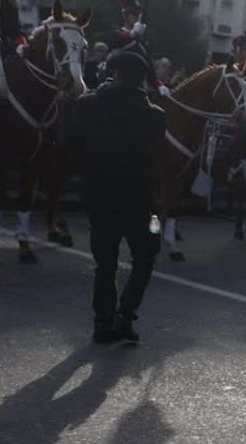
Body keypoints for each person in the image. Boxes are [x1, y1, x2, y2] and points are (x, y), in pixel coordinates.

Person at [64, 49, 166, 344]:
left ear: (116, 74)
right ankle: (125, 315)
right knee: (145, 258)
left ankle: (102, 322)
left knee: (105, 264)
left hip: (99, 198)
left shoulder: (88, 105)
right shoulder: (156, 116)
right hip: (141, 202)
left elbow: (70, 142)